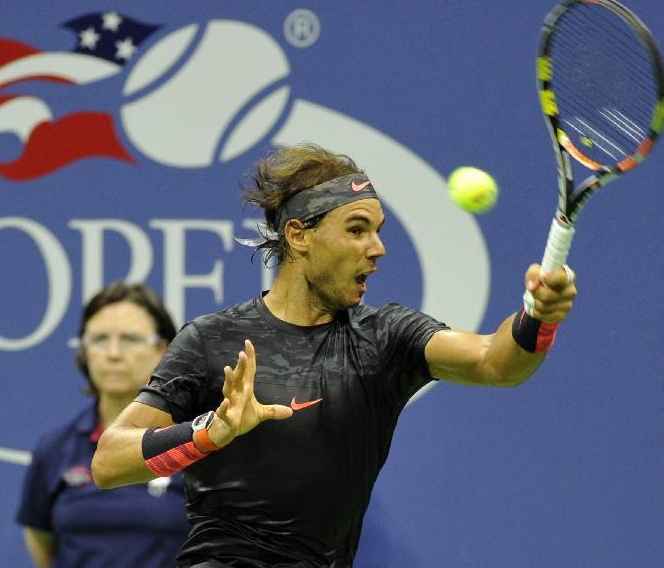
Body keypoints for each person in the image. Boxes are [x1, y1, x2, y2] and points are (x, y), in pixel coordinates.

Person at [91, 144, 579, 567]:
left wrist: (539, 315)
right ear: (299, 236)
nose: (379, 249)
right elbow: (108, 461)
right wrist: (208, 433)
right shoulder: (211, 339)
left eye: (378, 230)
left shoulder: (386, 337)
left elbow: (497, 363)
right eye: (357, 229)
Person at [16, 282, 188, 568]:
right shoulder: (55, 449)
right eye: (98, 340)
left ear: (163, 350)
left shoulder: (195, 443)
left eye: (130, 339)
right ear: (83, 351)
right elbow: (42, 544)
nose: (113, 354)